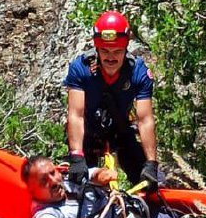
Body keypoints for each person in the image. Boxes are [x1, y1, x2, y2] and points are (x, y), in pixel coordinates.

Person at [63, 11, 158, 190]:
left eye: (117, 51)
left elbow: (145, 120)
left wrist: (151, 163)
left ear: (126, 48)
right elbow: (76, 115)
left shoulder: (138, 73)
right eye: (105, 51)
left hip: (121, 131)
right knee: (80, 185)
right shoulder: (81, 69)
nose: (111, 57)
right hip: (87, 133)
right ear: (97, 48)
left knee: (149, 182)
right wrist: (76, 155)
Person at [23, 155, 149, 218]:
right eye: (44, 181)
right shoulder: (45, 212)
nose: (53, 181)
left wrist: (102, 175)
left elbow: (94, 174)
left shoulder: (71, 179)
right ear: (33, 191)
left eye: (52, 173)